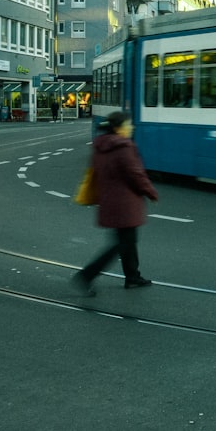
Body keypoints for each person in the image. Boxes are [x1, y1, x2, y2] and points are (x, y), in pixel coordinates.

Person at [72, 111, 159, 295]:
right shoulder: (124, 147)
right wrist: (151, 192)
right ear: (119, 128)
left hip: (109, 200)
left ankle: (133, 276)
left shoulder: (101, 146)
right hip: (125, 203)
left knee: (127, 241)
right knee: (121, 244)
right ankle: (87, 275)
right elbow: (136, 174)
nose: (132, 128)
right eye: (128, 125)